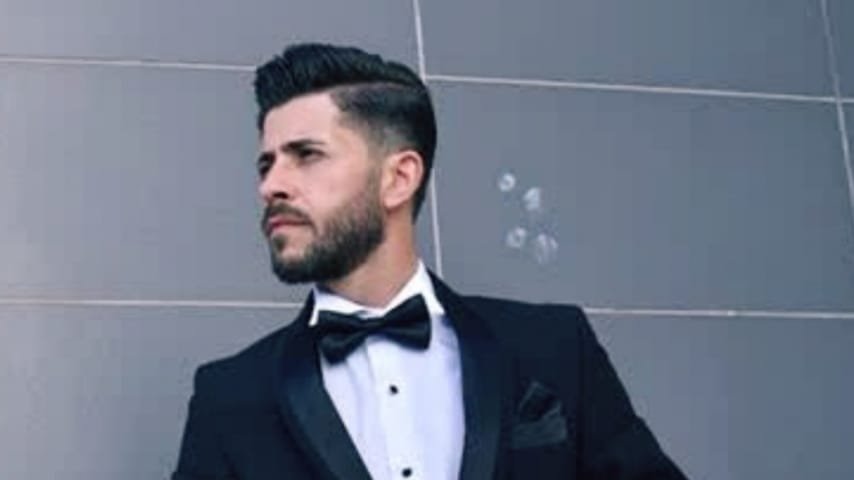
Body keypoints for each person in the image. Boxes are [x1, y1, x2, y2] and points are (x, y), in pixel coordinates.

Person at [172, 43, 687, 480]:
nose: (271, 185)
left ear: (399, 178)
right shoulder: (229, 398)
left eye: (306, 155)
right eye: (267, 163)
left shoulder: (553, 348)